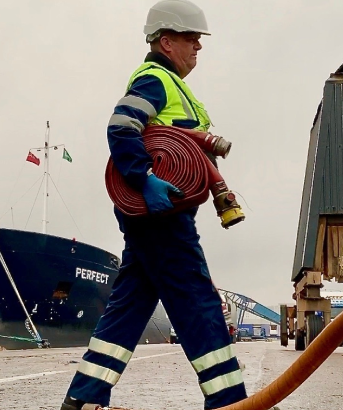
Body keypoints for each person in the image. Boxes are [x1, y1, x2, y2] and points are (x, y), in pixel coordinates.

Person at [60, 1, 247, 409]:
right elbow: (121, 126)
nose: (198, 46)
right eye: (190, 38)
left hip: (160, 214)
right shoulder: (155, 79)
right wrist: (143, 178)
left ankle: (84, 399)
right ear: (166, 41)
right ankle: (230, 401)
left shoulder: (175, 86)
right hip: (161, 216)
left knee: (130, 305)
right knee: (197, 302)